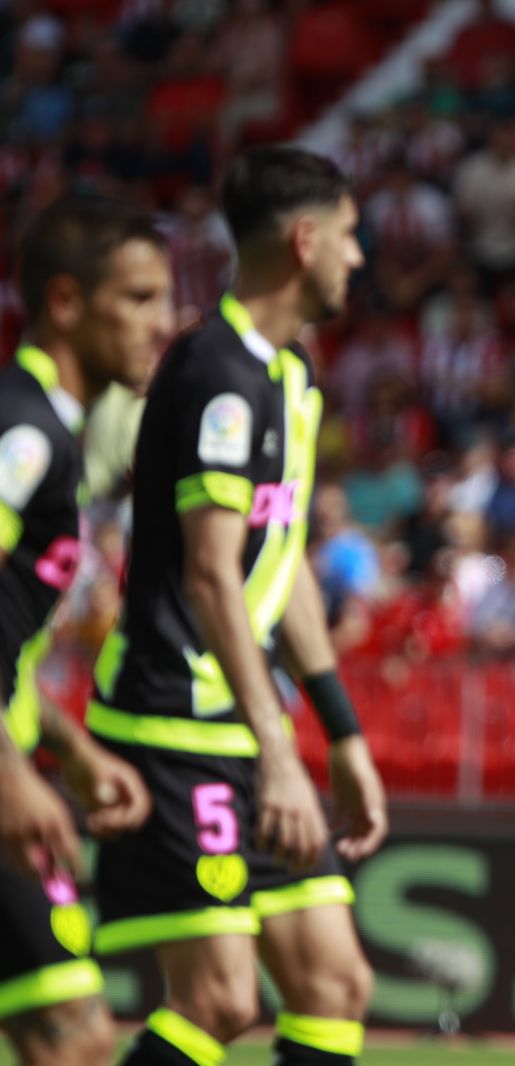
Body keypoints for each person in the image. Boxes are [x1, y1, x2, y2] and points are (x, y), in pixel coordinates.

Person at [87, 147, 387, 1066]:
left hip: (245, 728)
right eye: (348, 236)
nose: (359, 258)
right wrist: (278, 749)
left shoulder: (288, 375)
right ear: (304, 241)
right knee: (218, 1001)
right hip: (175, 725)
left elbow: (279, 562)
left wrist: (337, 733)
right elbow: (213, 575)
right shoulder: (218, 372)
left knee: (335, 984)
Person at [0, 195, 170, 1065]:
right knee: (72, 1039)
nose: (162, 323)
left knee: (67, 1038)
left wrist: (64, 749)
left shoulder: (52, 437)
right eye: (138, 299)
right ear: (66, 302)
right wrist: (10, 777)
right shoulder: (24, 434)